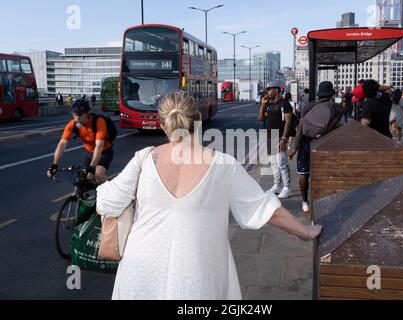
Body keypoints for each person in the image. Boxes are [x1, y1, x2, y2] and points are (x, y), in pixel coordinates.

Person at [96, 92, 322, 300]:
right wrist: (305, 231)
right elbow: (266, 210)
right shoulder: (222, 165)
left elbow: (108, 203)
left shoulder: (143, 159)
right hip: (195, 277)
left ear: (163, 126)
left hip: (139, 273)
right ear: (198, 121)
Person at [289, 81, 342, 214]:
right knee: (321, 173)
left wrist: (294, 148)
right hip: (323, 144)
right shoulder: (336, 108)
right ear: (331, 94)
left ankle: (305, 203)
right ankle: (320, 201)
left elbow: (300, 129)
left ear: (319, 93)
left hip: (305, 143)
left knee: (303, 173)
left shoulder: (308, 106)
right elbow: (332, 128)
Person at [47, 99, 114, 183]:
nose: (77, 118)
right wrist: (54, 164)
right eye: (75, 115)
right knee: (81, 177)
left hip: (104, 152)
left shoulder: (99, 122)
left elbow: (99, 145)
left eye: (80, 115)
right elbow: (62, 144)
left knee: (98, 174)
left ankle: (114, 191)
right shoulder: (72, 124)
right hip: (89, 152)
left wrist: (92, 166)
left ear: (88, 113)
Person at [259, 82, 293, 199]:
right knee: (274, 164)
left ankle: (287, 187)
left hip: (279, 136)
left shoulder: (284, 103)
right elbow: (261, 118)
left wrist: (284, 138)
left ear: (277, 90)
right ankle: (277, 185)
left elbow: (288, 121)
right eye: (267, 90)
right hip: (270, 136)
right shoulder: (270, 103)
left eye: (269, 89)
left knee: (282, 164)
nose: (267, 92)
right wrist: (263, 104)